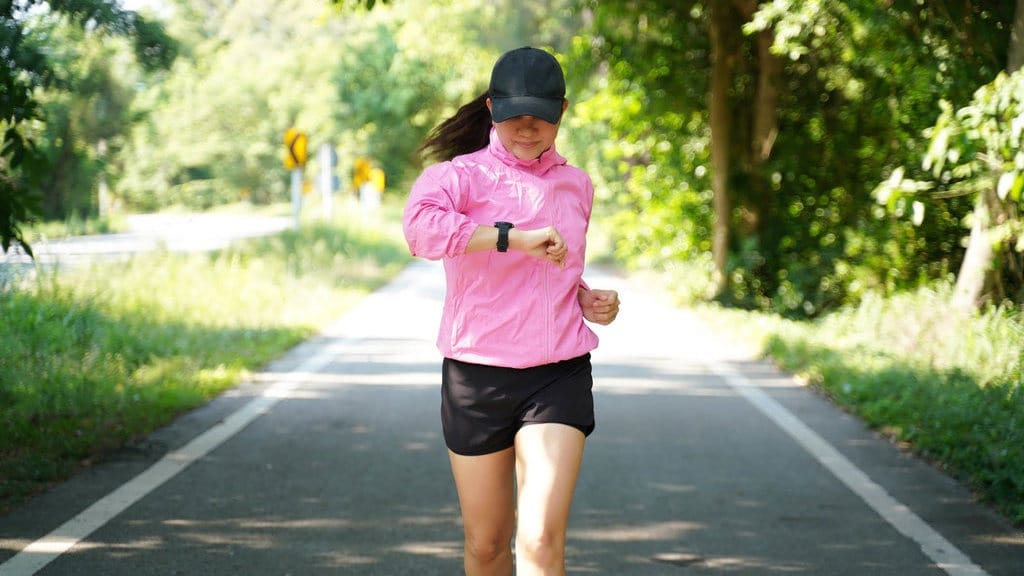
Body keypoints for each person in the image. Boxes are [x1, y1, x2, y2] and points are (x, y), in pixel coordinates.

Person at [403, 46, 621, 576]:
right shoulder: (458, 178)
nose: (527, 127)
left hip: (557, 375)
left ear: (562, 111)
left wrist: (587, 297)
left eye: (540, 115)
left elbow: (558, 267)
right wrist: (512, 238)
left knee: (542, 539)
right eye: (514, 114)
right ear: (492, 107)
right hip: (476, 376)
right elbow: (420, 232)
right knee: (486, 545)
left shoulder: (577, 184)